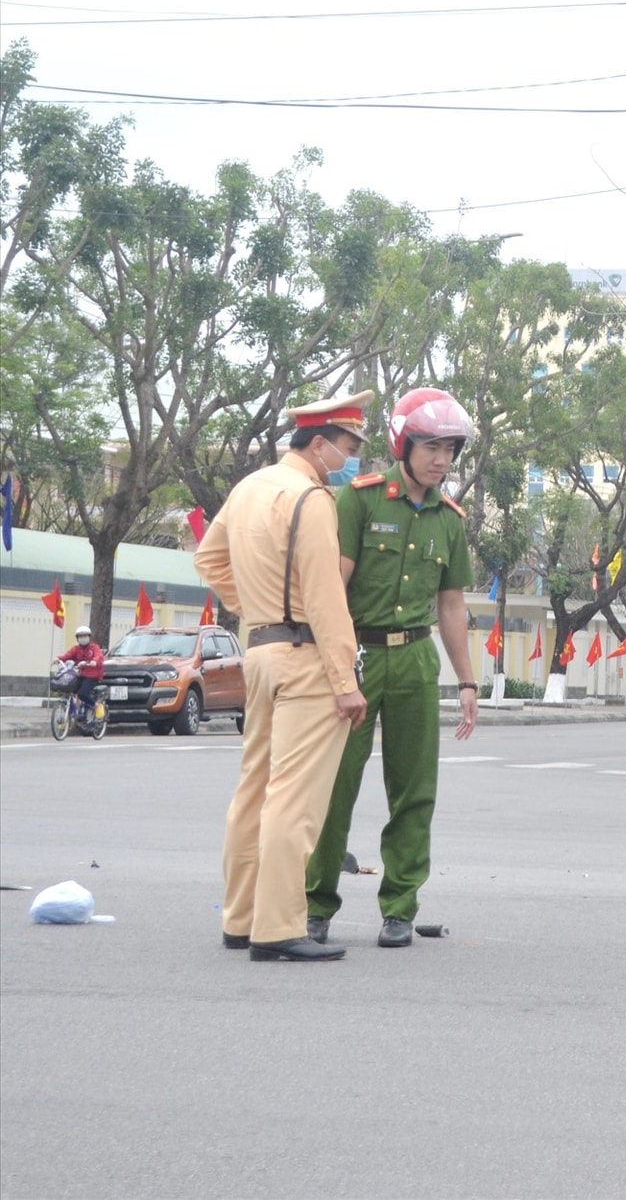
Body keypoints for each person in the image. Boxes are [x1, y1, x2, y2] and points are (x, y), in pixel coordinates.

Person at [196, 391, 371, 961]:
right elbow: (326, 599)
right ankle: (278, 928)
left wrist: (253, 608)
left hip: (261, 654)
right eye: (346, 449)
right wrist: (345, 681)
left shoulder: (249, 487)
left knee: (253, 791)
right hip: (305, 659)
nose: (349, 461)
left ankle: (240, 919)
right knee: (294, 800)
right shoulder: (312, 499)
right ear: (317, 444)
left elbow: (209, 559)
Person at [305, 387, 478, 950]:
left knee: (413, 790)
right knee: (336, 786)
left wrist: (468, 681)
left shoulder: (450, 520)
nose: (442, 460)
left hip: (415, 660)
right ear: (403, 443)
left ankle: (400, 907)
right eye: (432, 446)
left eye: (450, 449)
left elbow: (451, 606)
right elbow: (333, 585)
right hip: (356, 655)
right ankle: (315, 906)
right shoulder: (359, 501)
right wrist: (333, 667)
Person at [56, 625, 107, 724]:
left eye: (85, 636)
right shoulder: (76, 649)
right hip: (80, 674)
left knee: (82, 694)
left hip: (93, 676)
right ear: (77, 638)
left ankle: (97, 705)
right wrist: (58, 659)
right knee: (70, 688)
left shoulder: (94, 647)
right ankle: (73, 714)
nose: (83, 638)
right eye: (80, 636)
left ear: (89, 637)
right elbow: (67, 655)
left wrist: (94, 662)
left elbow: (98, 656)